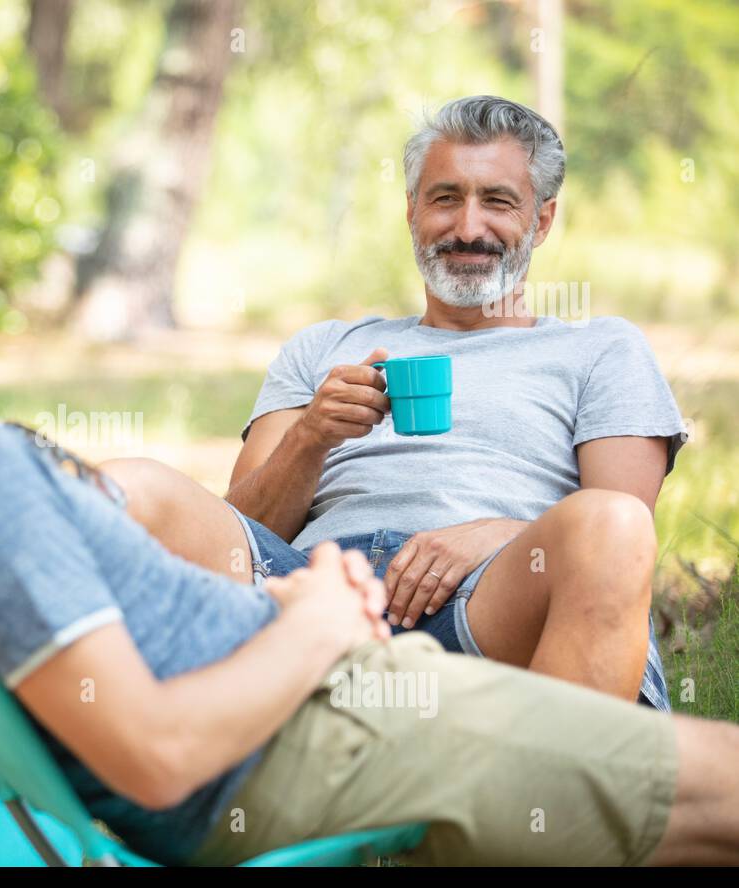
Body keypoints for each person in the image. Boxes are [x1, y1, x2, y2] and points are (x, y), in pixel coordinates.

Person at [0, 86, 739, 866]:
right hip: (318, 718)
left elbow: (618, 518)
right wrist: (314, 624)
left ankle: (583, 778)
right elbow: (159, 751)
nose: (469, 221)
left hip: (358, 660)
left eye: (497, 199)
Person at [216, 95, 684, 710]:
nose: (468, 228)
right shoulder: (324, 347)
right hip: (313, 595)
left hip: (494, 602)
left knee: (610, 526)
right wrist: (310, 436)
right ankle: (107, 775)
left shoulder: (602, 349)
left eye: (497, 201)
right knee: (140, 490)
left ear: (542, 221)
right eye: (444, 198)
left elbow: (623, 534)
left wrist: (503, 535)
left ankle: (560, 787)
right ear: (411, 211)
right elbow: (238, 538)